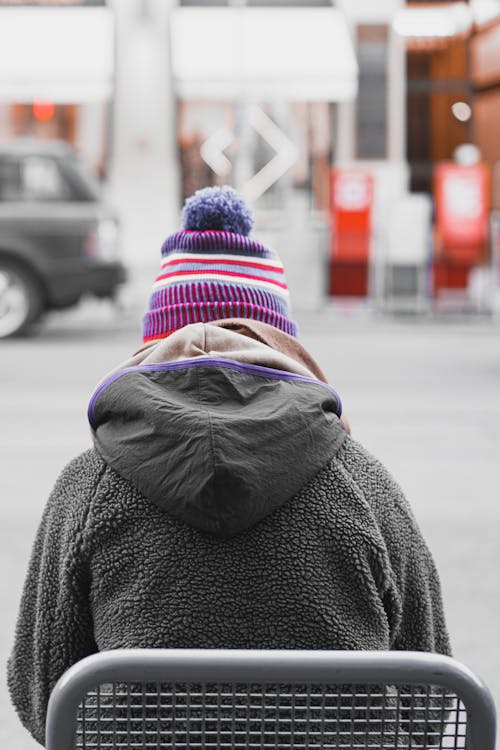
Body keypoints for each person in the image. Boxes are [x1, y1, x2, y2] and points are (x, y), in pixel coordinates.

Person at [8, 186, 450, 746]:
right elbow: (434, 702)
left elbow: (40, 692)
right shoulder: (363, 482)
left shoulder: (87, 486)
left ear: (152, 344)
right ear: (281, 342)